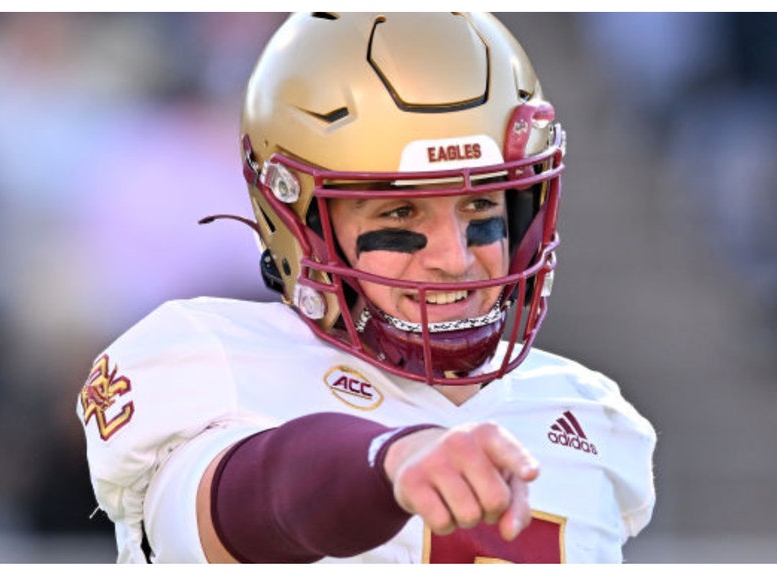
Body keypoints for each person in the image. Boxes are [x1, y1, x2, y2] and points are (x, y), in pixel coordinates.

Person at [78, 12, 656, 564]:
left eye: (481, 204)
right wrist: (387, 462)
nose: (456, 260)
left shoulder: (588, 416)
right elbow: (246, 504)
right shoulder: (214, 362)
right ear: (300, 224)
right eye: (401, 215)